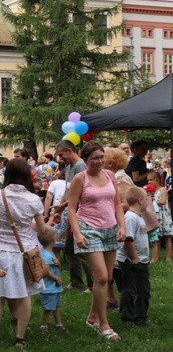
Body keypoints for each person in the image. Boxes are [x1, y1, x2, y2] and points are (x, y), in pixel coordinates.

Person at [67, 141, 126, 341]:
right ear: (86, 160)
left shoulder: (110, 175)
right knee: (100, 277)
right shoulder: (80, 178)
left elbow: (117, 202)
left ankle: (92, 316)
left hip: (110, 228)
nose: (100, 161)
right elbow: (71, 208)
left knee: (107, 278)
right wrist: (77, 233)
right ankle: (104, 324)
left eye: (102, 157)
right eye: (95, 158)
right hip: (88, 229)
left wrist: (122, 226)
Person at [0, 158, 47, 347]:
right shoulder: (33, 199)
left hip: (0, 249)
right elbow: (42, 229)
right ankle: (20, 337)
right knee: (25, 295)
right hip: (25, 251)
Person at [55, 140, 93, 292]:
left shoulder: (80, 167)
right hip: (72, 213)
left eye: (61, 154)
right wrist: (59, 208)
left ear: (70, 151)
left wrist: (64, 206)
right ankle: (76, 281)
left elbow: (81, 193)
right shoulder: (69, 167)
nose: (60, 158)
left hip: (82, 213)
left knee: (82, 249)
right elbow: (68, 191)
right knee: (69, 248)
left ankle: (92, 284)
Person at [117, 187, 150, 325]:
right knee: (131, 289)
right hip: (131, 261)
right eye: (147, 199)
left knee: (143, 289)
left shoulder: (138, 217)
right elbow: (128, 239)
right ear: (140, 200)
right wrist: (135, 258)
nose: (148, 201)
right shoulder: (130, 217)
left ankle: (140, 315)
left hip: (141, 260)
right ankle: (130, 317)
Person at [38, 226, 64, 332]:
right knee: (48, 308)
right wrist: (56, 278)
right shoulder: (46, 255)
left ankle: (59, 324)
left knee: (57, 306)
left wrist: (57, 263)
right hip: (48, 288)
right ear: (52, 239)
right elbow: (45, 271)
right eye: (55, 234)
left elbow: (53, 267)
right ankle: (44, 325)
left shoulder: (50, 253)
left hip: (54, 288)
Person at [148, 171, 172, 261]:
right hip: (156, 216)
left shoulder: (163, 189)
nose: (149, 182)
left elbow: (163, 201)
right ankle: (155, 257)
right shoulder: (151, 191)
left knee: (167, 237)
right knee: (156, 236)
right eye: (148, 180)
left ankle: (168, 257)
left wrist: (152, 200)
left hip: (164, 215)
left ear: (157, 179)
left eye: (151, 180)